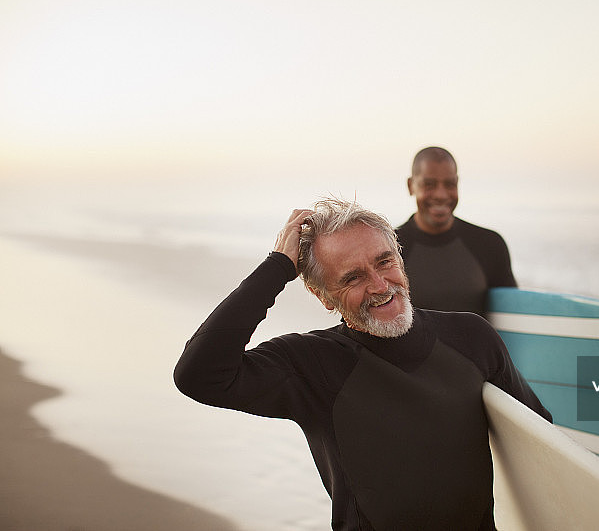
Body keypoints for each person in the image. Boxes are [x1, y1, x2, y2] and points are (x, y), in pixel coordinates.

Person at [174, 198, 551, 531]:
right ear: (323, 296)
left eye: (384, 262)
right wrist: (277, 268)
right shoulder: (311, 366)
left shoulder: (471, 337)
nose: (380, 285)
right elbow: (199, 375)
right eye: (353, 277)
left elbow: (540, 437)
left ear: (400, 259)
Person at [396, 147, 516, 316]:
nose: (441, 194)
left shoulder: (490, 244)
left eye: (449, 184)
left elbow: (512, 319)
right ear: (411, 186)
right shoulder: (390, 249)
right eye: (429, 184)